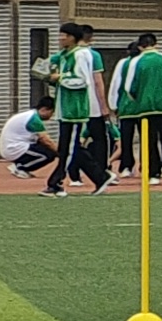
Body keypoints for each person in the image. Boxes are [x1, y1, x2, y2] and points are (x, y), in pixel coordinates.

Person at [110, 30, 162, 186]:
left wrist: (140, 99)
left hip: (145, 108)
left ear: (140, 46)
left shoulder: (136, 61)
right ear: (156, 44)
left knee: (149, 141)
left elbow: (129, 87)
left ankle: (153, 174)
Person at [41, 23, 110, 194]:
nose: (60, 38)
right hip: (65, 108)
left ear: (72, 37)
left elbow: (81, 80)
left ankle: (56, 183)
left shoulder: (80, 55)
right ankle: (100, 177)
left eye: (64, 35)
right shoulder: (65, 55)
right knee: (72, 148)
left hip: (75, 109)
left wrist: (60, 78)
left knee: (68, 148)